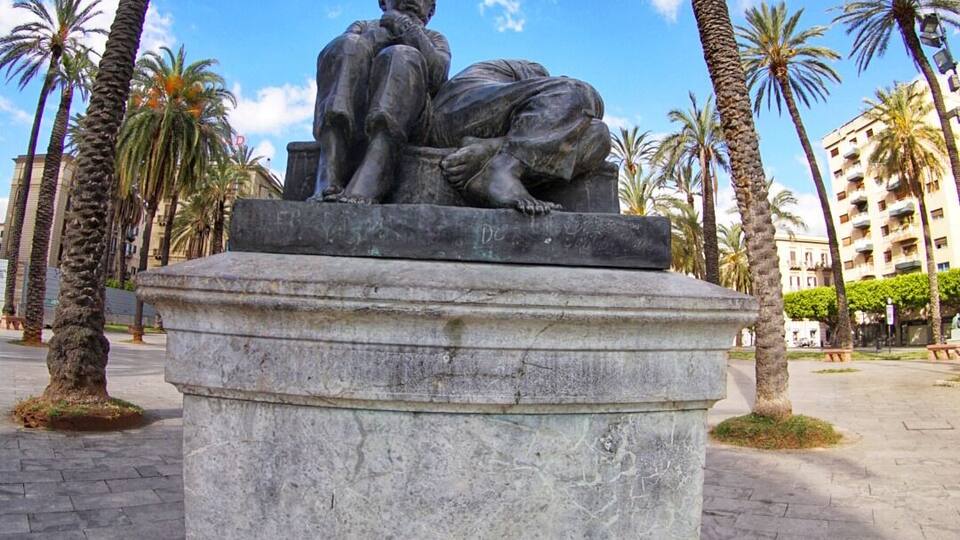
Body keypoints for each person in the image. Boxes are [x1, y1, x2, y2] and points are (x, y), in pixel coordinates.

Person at [310, 0, 450, 204]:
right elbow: (340, 62)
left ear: (431, 10)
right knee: (347, 44)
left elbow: (439, 75)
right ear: (383, 2)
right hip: (358, 111)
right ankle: (329, 170)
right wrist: (387, 33)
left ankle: (376, 172)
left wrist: (408, 31)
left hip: (411, 120)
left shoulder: (434, 38)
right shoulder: (362, 27)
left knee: (401, 55)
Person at [430, 59, 611, 215]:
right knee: (578, 91)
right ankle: (500, 171)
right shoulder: (534, 70)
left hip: (492, 129)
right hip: (457, 110)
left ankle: (493, 153)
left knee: (599, 134)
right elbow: (553, 109)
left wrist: (493, 145)